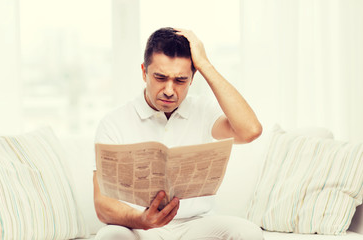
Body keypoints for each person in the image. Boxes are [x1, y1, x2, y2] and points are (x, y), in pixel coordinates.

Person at [93, 27, 263, 240]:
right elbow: (102, 205)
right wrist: (142, 220)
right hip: (138, 225)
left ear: (192, 78)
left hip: (196, 224)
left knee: (247, 232)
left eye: (180, 80)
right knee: (109, 236)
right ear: (144, 72)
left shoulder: (203, 110)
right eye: (160, 77)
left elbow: (250, 131)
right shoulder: (113, 123)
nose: (169, 90)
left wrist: (204, 64)